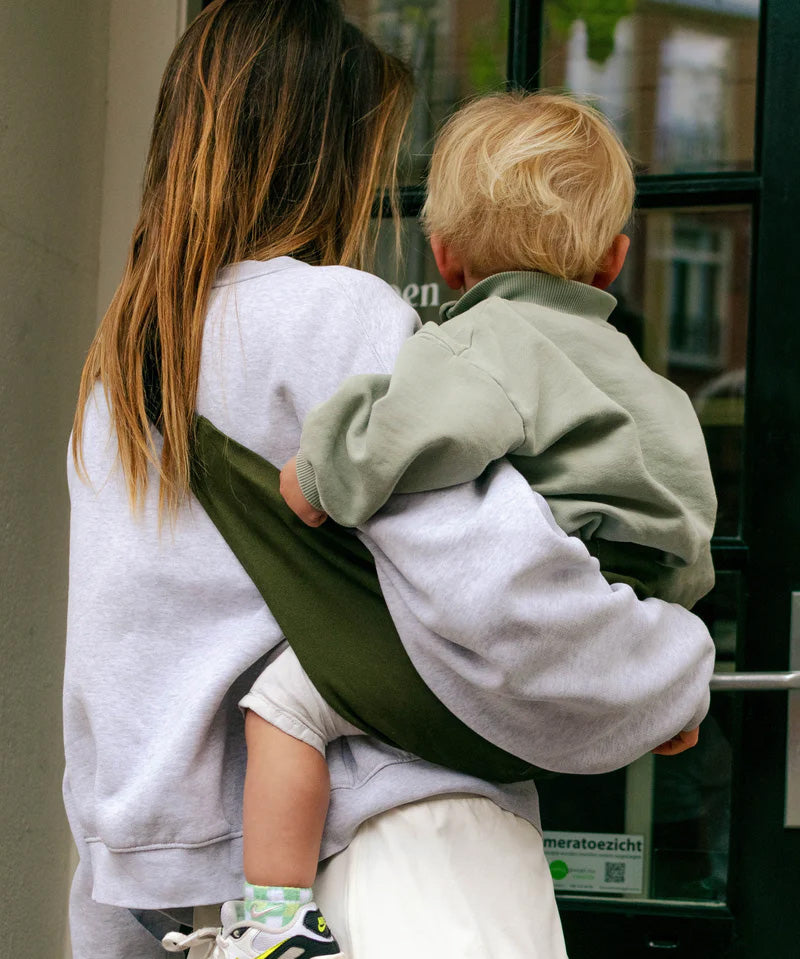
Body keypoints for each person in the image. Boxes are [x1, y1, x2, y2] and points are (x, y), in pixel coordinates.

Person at [64, 3, 715, 958]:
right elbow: (499, 599)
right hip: (395, 862)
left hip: (196, 903)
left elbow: (105, 682)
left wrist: (104, 923)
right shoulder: (337, 316)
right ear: (328, 158)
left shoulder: (122, 367)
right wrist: (675, 672)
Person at [232, 92, 718, 955]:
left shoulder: (482, 343)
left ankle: (268, 925)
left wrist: (317, 478)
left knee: (283, 702)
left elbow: (411, 435)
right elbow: (685, 537)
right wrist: (665, 679)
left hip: (499, 672)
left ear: (445, 258)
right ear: (614, 259)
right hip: (606, 664)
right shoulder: (660, 393)